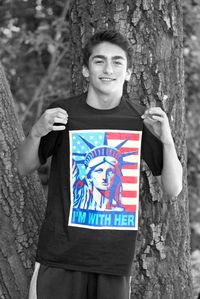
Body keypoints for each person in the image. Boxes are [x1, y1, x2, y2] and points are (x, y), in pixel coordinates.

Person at [17, 30, 183, 299]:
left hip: (113, 264)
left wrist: (167, 140)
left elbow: (173, 188)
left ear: (128, 71)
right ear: (85, 69)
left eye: (117, 61)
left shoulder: (139, 121)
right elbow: (23, 167)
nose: (108, 69)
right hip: (59, 258)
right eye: (99, 61)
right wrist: (36, 132)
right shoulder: (63, 114)